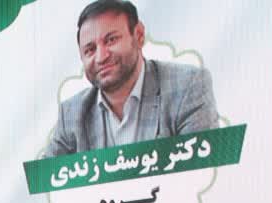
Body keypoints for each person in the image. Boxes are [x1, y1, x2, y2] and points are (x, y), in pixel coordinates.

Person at [43, 1, 218, 158]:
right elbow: (44, 177)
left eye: (111, 40)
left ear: (139, 35)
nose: (101, 57)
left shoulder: (188, 87)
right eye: (90, 49)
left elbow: (202, 169)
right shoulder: (72, 113)